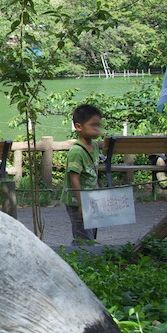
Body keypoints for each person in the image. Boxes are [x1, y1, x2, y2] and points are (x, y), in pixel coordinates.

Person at [60, 104, 103, 244]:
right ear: (79, 127)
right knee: (83, 236)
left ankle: (84, 256)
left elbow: (93, 173)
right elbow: (74, 178)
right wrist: (81, 204)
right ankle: (81, 259)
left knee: (90, 232)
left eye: (98, 125)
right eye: (93, 125)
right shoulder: (77, 152)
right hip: (77, 200)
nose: (97, 128)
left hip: (91, 199)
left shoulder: (95, 146)